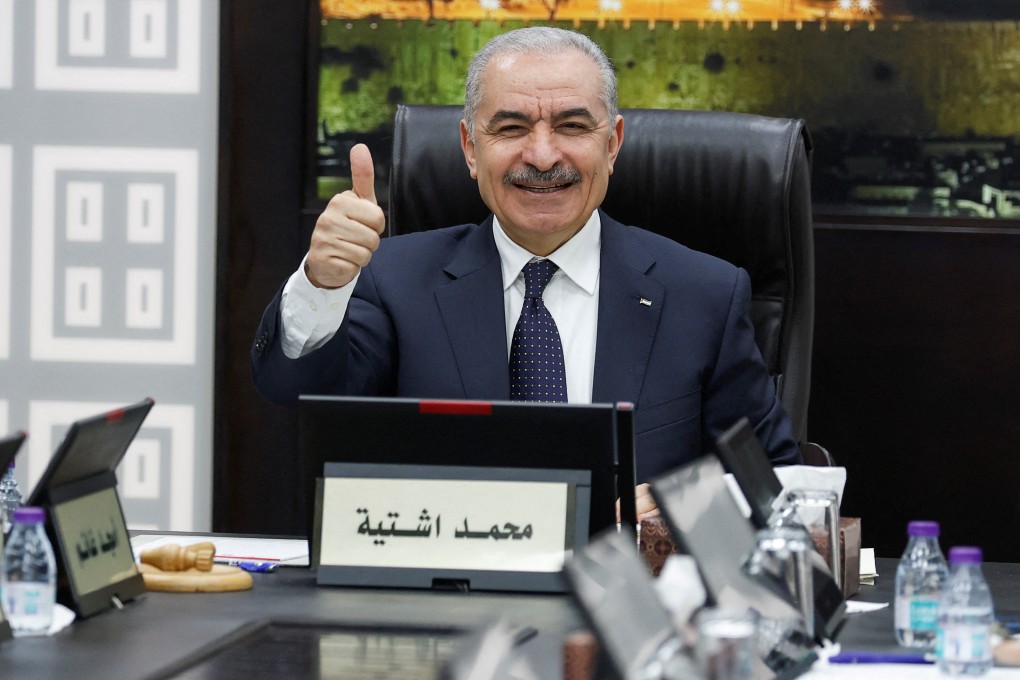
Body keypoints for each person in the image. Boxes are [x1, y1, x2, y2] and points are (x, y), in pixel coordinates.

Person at [252, 27, 801, 519]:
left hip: (633, 592)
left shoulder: (705, 295)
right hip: (453, 589)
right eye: (512, 128)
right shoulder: (394, 282)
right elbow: (292, 389)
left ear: (612, 145)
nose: (541, 156)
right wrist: (323, 283)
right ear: (471, 148)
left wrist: (685, 508)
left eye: (572, 126)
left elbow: (777, 483)